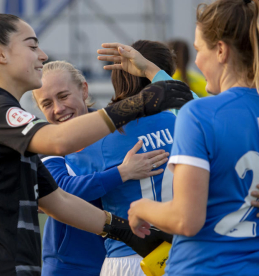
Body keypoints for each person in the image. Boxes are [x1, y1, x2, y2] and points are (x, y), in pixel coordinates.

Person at [0, 14, 193, 276]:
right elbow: (59, 140)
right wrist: (136, 104)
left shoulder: (0, 118)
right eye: (31, 46)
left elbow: (58, 201)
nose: (41, 55)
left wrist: (123, 231)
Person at [119, 0, 259, 275]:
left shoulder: (200, 115)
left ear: (221, 50)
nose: (195, 60)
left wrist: (141, 208)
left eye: (198, 49)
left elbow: (186, 220)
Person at [32, 61, 170, 276]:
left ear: (84, 90)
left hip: (123, 257)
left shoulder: (117, 130)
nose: (58, 109)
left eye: (63, 96)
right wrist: (122, 173)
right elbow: (59, 191)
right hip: (70, 264)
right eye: (47, 103)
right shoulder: (46, 142)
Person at [59, 40, 183, 276]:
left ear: (116, 78)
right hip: (184, 254)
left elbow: (61, 193)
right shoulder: (185, 123)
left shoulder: (97, 139)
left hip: (127, 259)